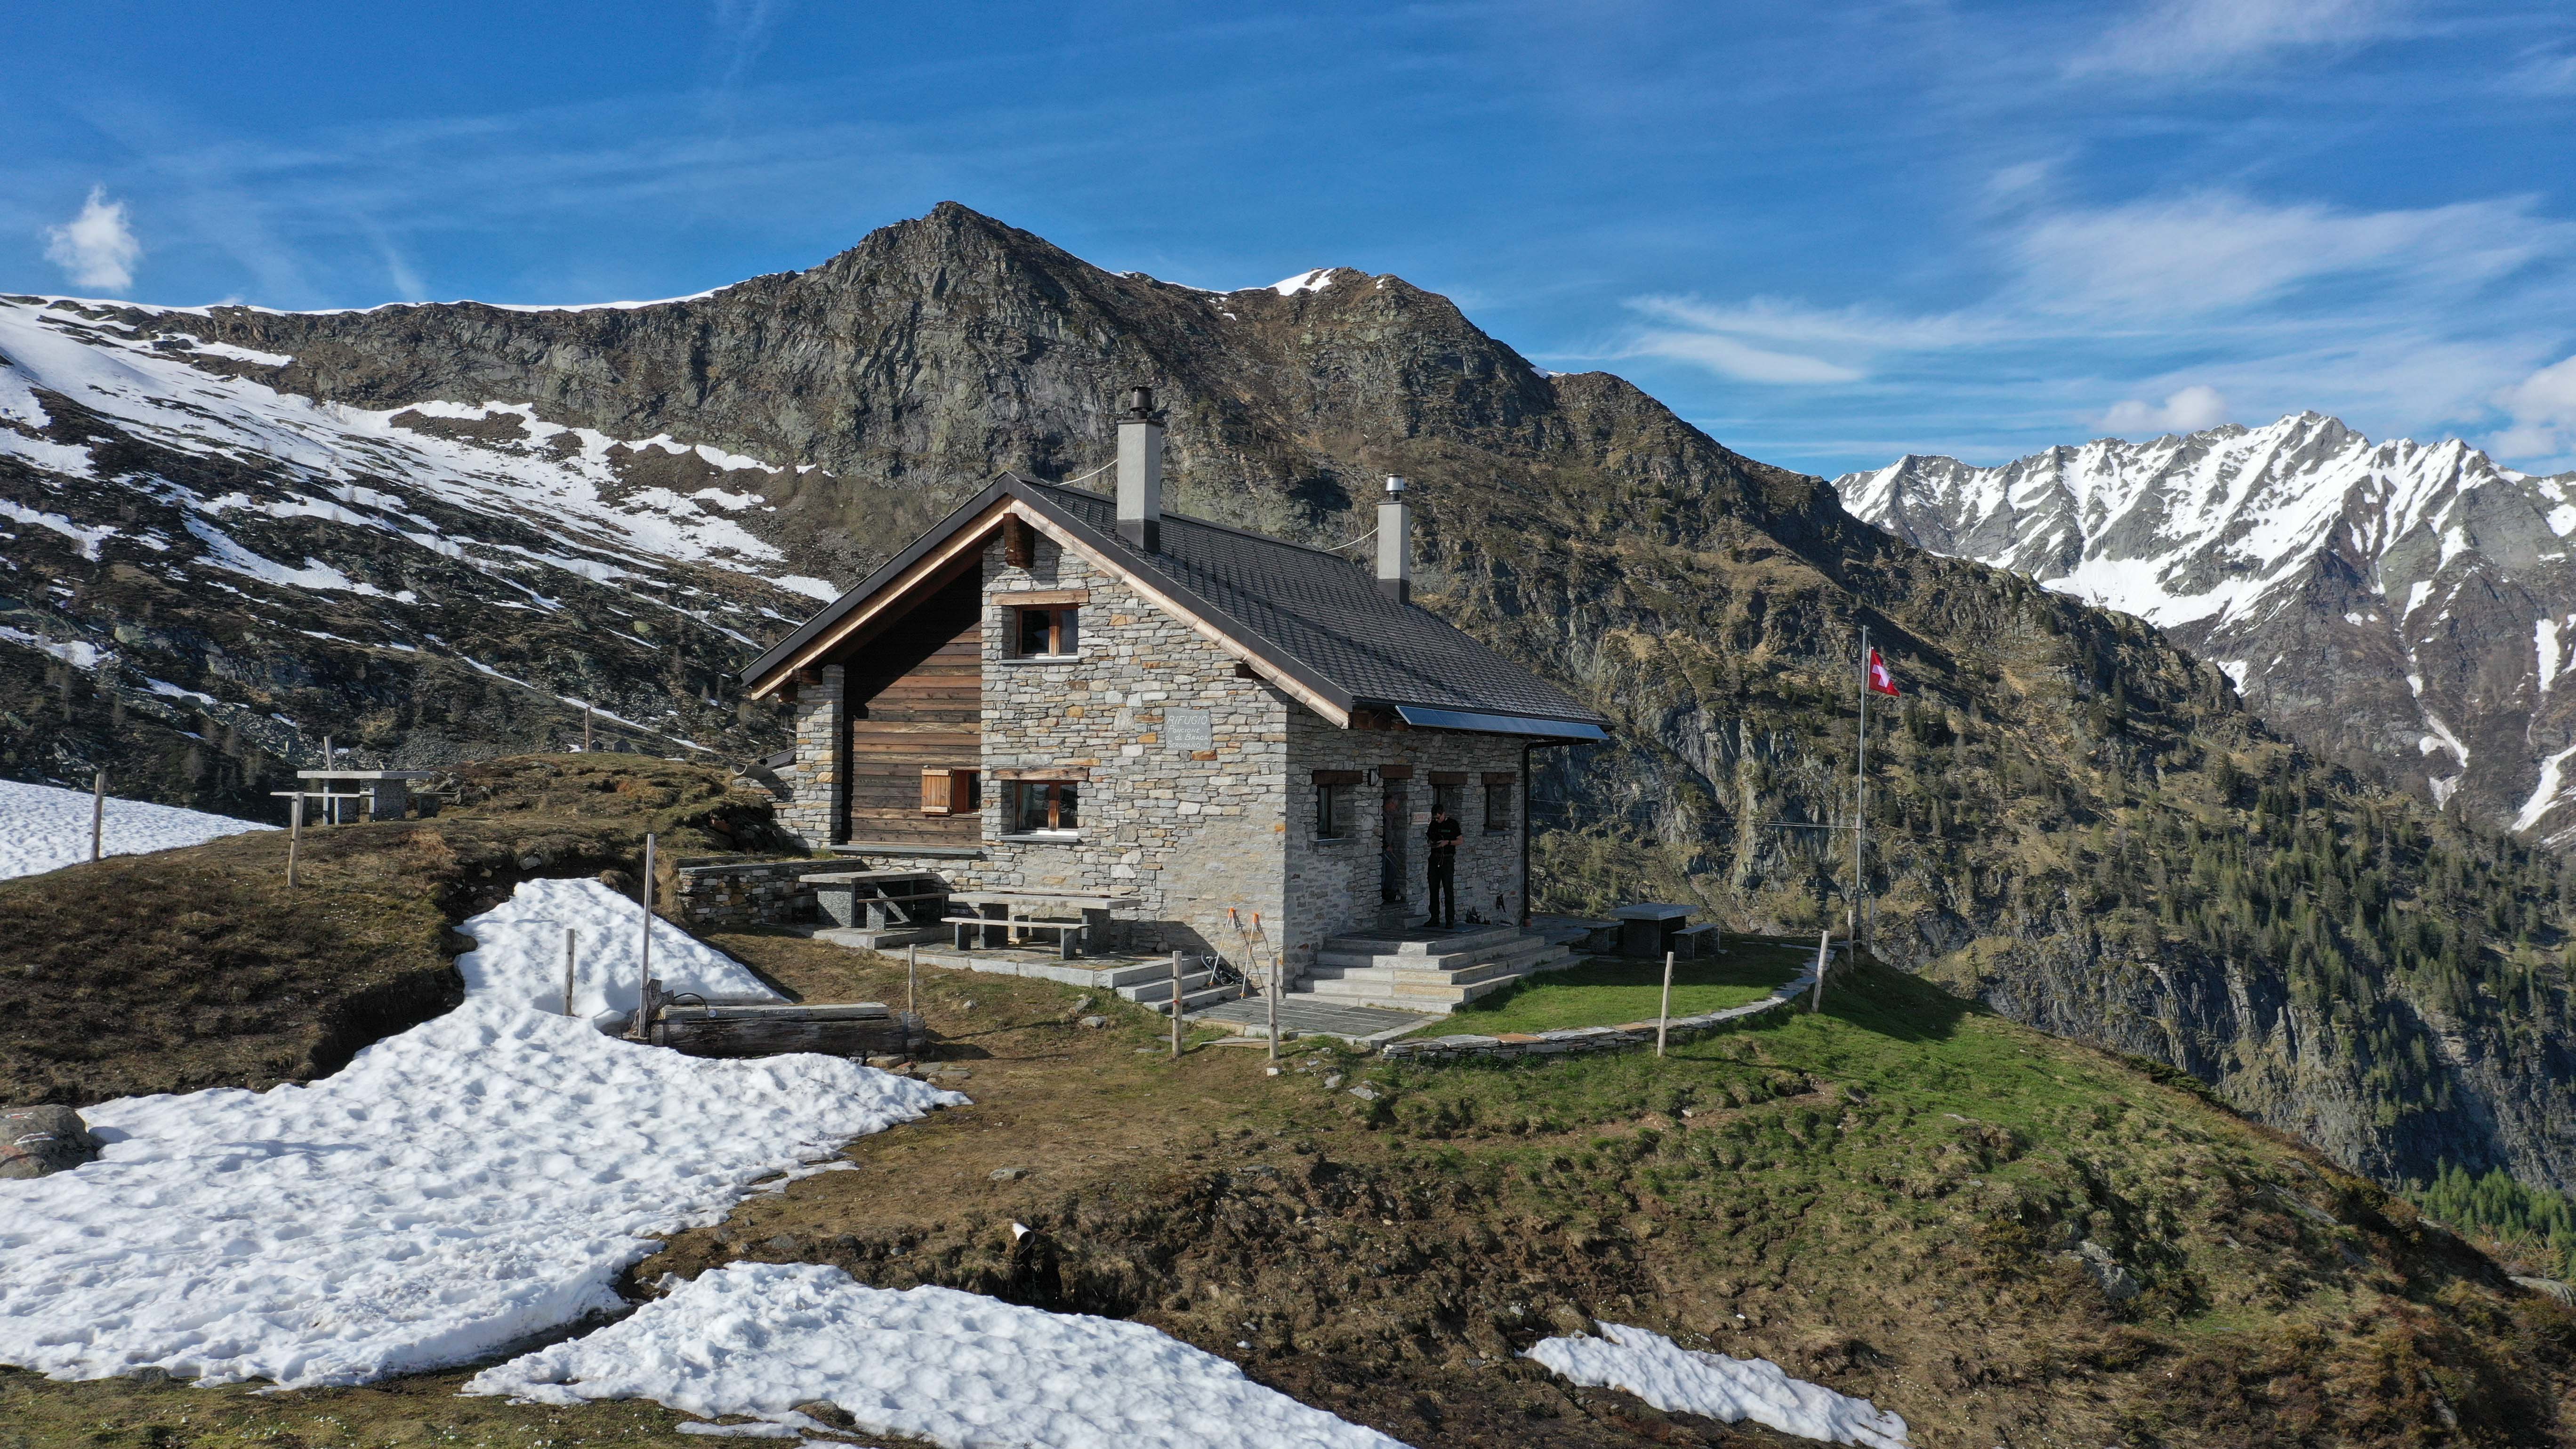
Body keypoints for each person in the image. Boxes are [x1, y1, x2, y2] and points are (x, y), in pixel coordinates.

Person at [1425, 805, 1463, 929]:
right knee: (1433, 888)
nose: (1437, 820)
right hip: (1435, 857)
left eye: (1438, 818)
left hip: (1447, 858)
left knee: (1448, 889)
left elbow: (1460, 841)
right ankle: (1434, 917)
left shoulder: (1452, 824)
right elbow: (1429, 837)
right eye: (1435, 818)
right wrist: (1432, 843)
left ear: (1443, 814)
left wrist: (1448, 842)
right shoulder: (1433, 825)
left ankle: (1450, 919)